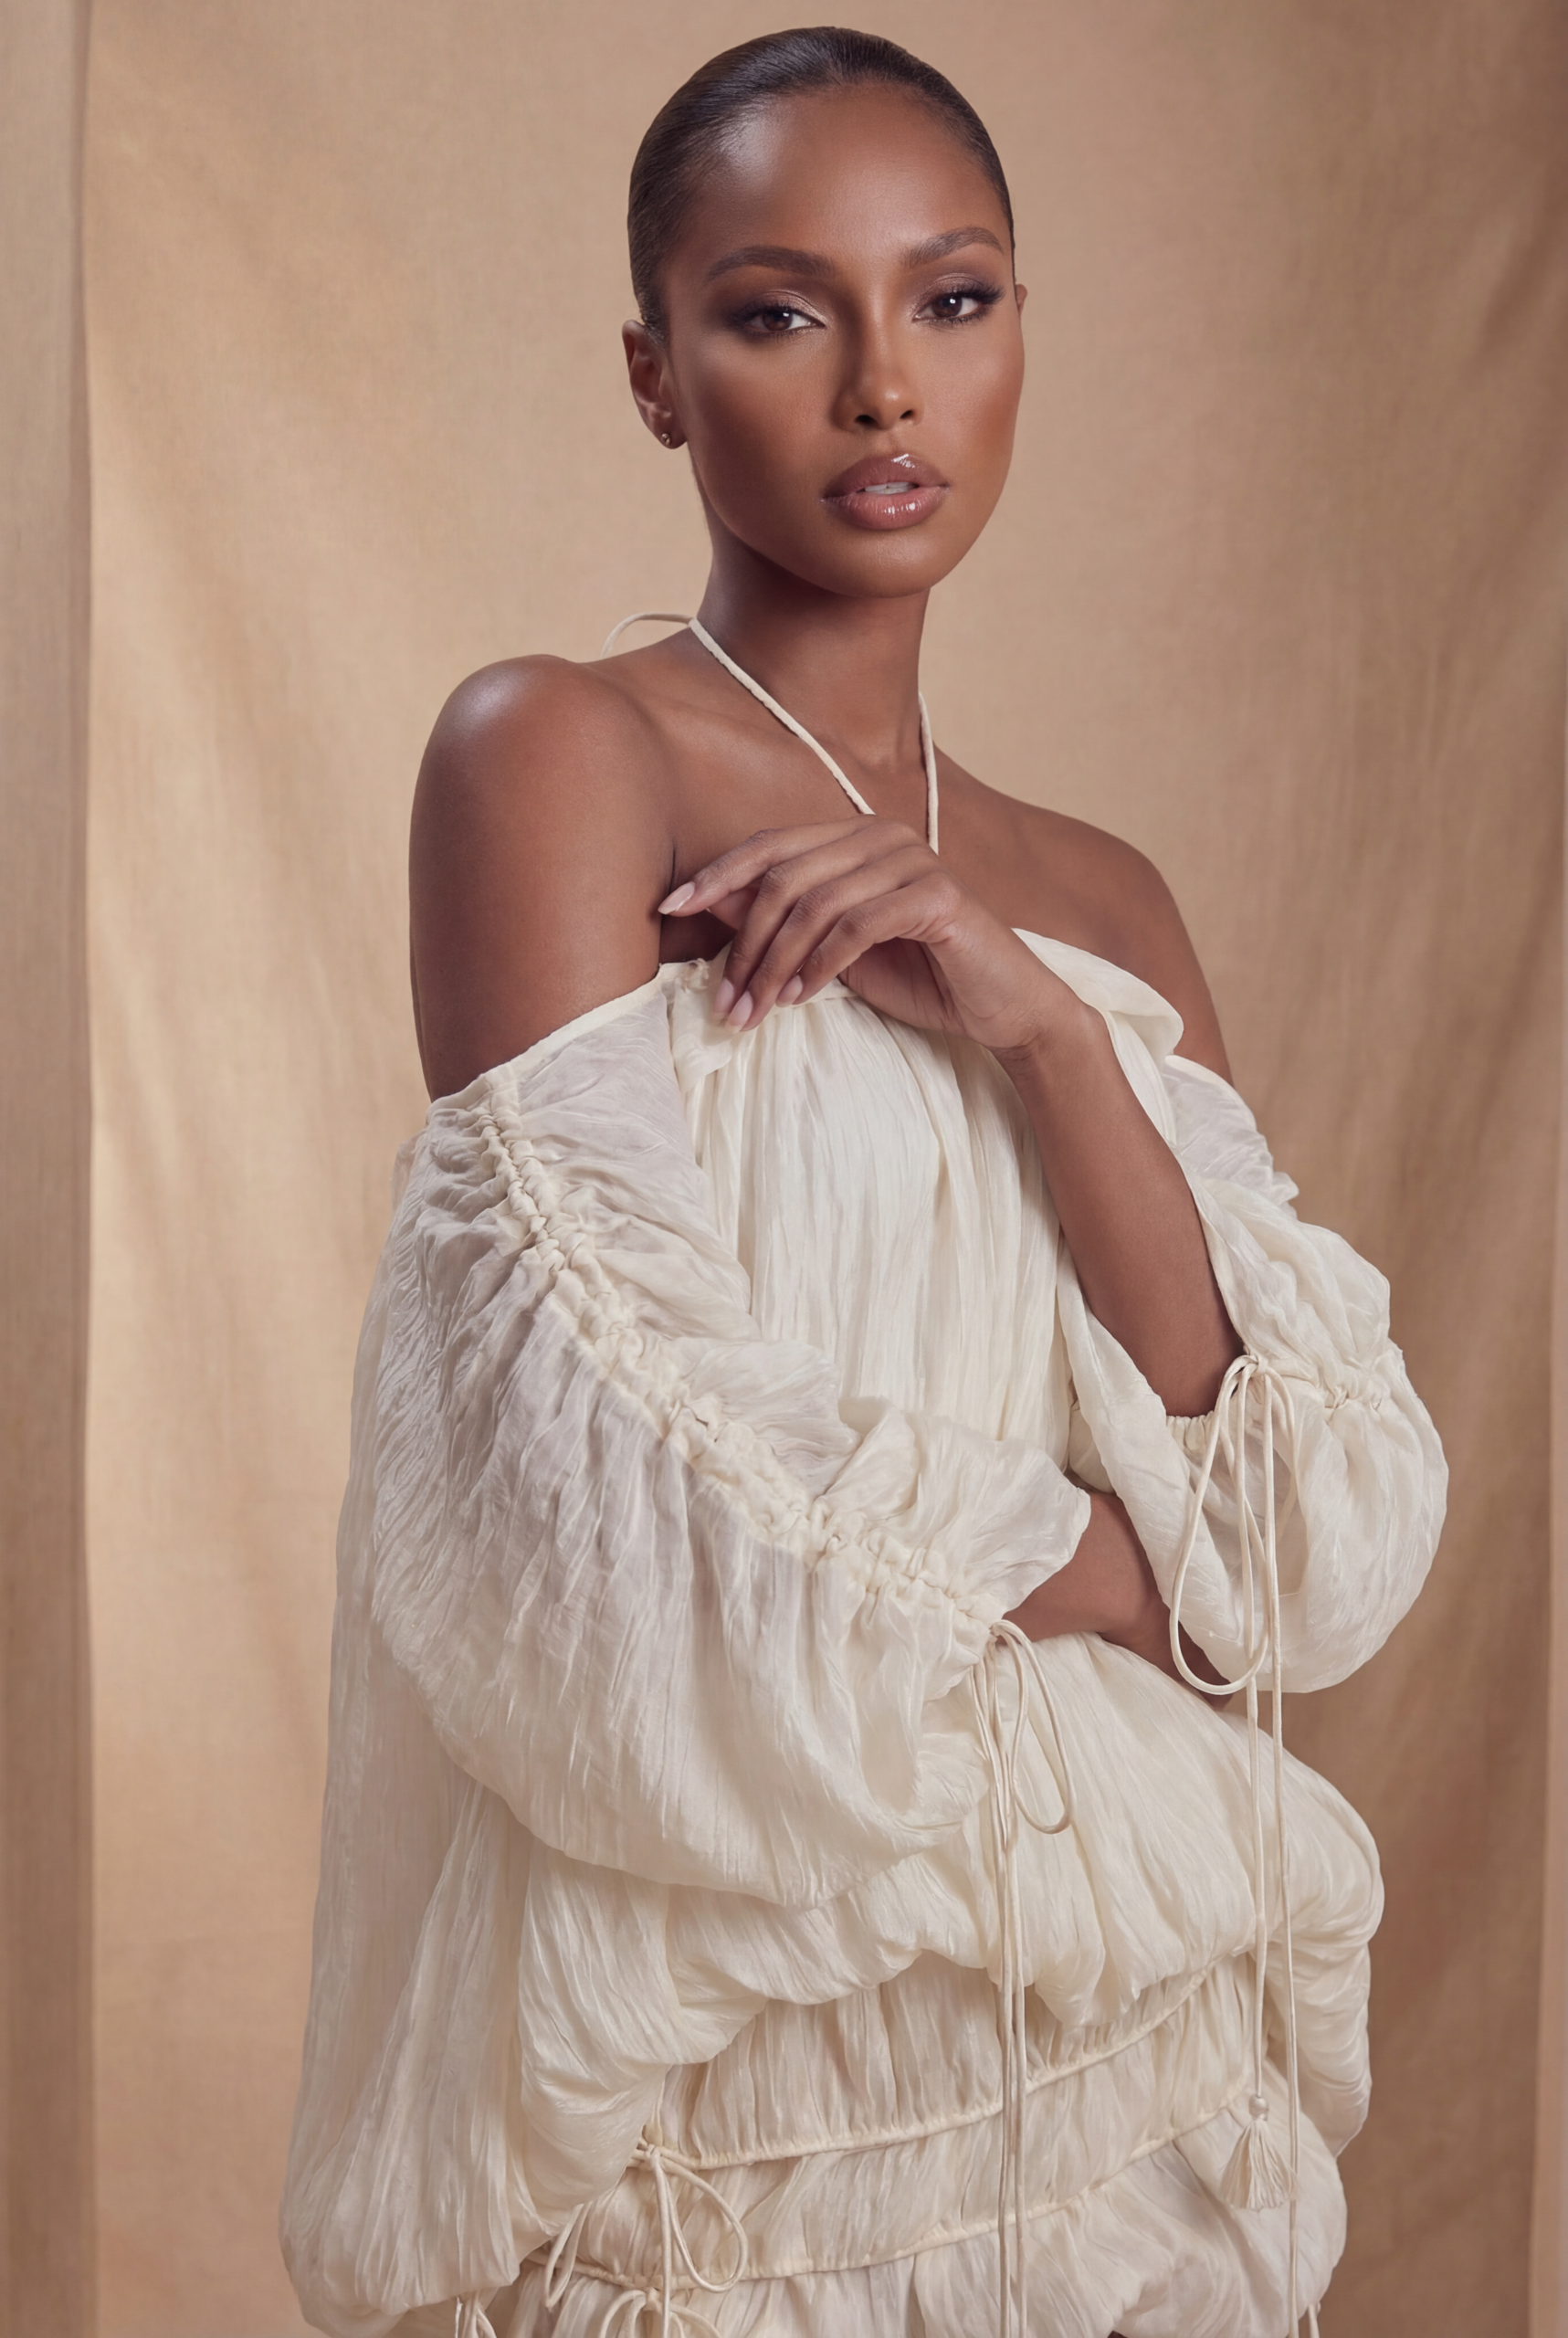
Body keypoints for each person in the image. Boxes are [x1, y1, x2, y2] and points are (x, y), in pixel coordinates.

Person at [281, 28, 1445, 2338]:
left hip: (1126, 2072)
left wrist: (1038, 1030)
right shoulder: (561, 751)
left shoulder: (1092, 895)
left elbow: (1298, 1518)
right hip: (741, 2101)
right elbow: (590, 1474)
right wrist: (1118, 1577)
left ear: (1020, 339)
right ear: (655, 373)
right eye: (781, 310)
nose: (885, 386)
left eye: (955, 297)